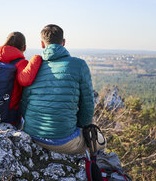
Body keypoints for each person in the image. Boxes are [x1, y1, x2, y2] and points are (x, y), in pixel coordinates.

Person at [21, 24, 105, 154]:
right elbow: (87, 105)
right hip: (62, 141)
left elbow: (24, 102)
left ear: (42, 44)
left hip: (31, 135)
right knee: (101, 140)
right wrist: (80, 126)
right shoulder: (79, 65)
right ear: (63, 42)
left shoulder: (34, 66)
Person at [0, 31, 42, 125]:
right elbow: (26, 80)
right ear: (24, 47)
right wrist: (36, 59)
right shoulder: (20, 63)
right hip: (9, 115)